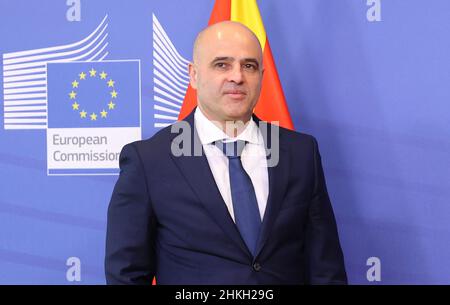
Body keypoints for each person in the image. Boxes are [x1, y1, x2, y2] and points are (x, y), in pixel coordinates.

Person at [105, 21, 347, 285]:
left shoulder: (301, 153)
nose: (237, 77)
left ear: (261, 76)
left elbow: (326, 268)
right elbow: (125, 275)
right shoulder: (148, 161)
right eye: (222, 64)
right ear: (194, 75)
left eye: (249, 66)